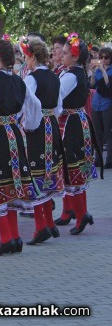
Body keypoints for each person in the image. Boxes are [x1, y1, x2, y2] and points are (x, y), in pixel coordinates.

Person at [0, 34, 42, 255]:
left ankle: (6, 239)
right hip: (15, 133)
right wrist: (29, 126)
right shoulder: (18, 80)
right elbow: (34, 104)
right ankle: (14, 238)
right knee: (11, 188)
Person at [20, 36, 65, 245]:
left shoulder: (32, 78)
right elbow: (59, 107)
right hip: (52, 126)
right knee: (47, 173)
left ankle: (41, 226)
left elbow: (27, 105)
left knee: (36, 174)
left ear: (31, 56)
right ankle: (49, 223)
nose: (24, 61)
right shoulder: (55, 77)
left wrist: (26, 125)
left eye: (25, 57)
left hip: (36, 128)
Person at [57, 33, 99, 235]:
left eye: (65, 53)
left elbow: (57, 98)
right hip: (75, 122)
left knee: (73, 170)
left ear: (74, 57)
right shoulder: (75, 73)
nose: (61, 56)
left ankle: (81, 214)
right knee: (73, 171)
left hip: (71, 125)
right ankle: (81, 213)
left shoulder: (72, 75)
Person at [89, 47, 112, 169]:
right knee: (97, 133)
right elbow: (92, 84)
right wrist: (93, 72)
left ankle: (109, 159)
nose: (103, 59)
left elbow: (108, 85)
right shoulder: (98, 70)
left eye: (106, 57)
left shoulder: (110, 70)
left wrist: (103, 70)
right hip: (96, 103)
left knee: (108, 132)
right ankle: (97, 158)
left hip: (107, 104)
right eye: (101, 57)